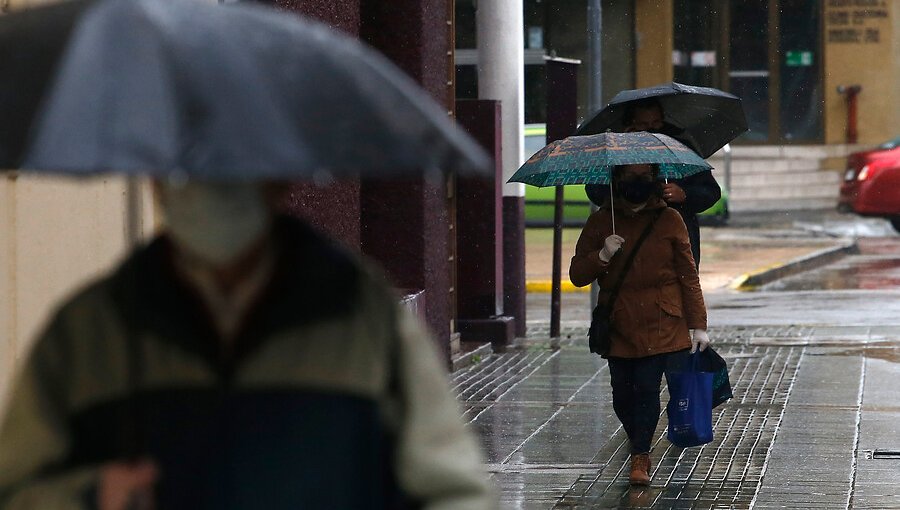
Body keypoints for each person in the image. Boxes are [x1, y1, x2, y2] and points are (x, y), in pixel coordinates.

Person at [0, 180, 494, 510]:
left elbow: (452, 490)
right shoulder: (89, 329)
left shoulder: (363, 320)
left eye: (231, 165)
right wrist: (90, 495)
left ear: (279, 178)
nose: (207, 184)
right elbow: (18, 487)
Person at [570, 163, 709, 486]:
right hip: (619, 322)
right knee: (622, 395)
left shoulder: (670, 220)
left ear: (656, 180)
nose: (638, 183)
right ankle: (638, 443)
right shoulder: (602, 221)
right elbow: (577, 275)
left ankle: (640, 456)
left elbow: (688, 275)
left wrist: (698, 324)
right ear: (616, 180)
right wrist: (602, 255)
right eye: (631, 177)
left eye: (645, 177)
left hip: (663, 322)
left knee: (647, 388)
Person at [584, 98, 721, 268]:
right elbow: (595, 190)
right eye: (643, 124)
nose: (651, 129)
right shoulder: (614, 153)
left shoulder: (680, 149)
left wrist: (685, 194)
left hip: (675, 245)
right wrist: (624, 189)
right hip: (627, 240)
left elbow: (710, 191)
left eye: (656, 122)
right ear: (632, 123)